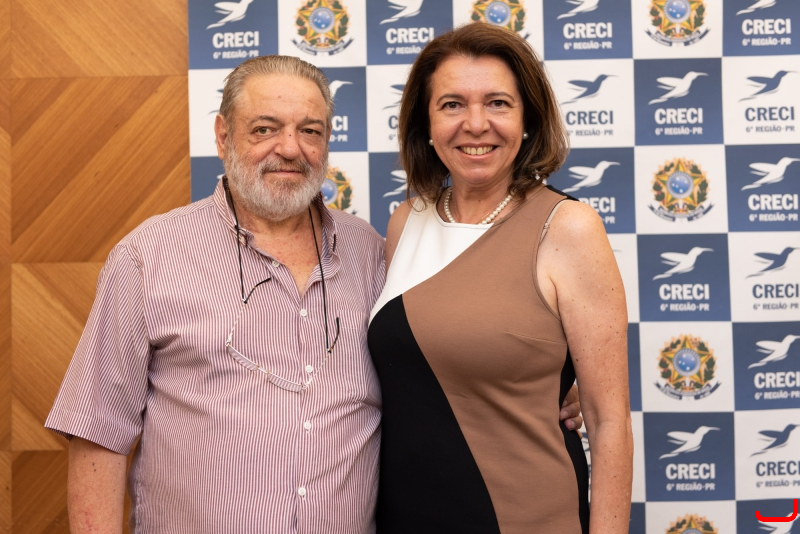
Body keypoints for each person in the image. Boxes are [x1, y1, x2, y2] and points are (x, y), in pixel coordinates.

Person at [44, 54, 584, 533]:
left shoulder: (372, 252)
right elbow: (98, 433)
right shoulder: (149, 256)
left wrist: (540, 382)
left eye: (310, 130)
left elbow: (439, 350)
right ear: (223, 136)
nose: (289, 149)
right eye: (264, 129)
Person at [368, 24, 633, 534]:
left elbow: (608, 422)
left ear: (527, 119)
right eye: (452, 104)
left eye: (497, 103)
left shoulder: (568, 228)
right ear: (426, 123)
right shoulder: (406, 221)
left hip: (527, 518)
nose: (475, 124)